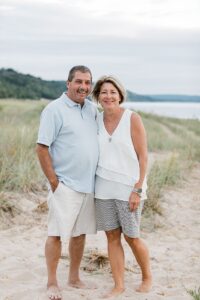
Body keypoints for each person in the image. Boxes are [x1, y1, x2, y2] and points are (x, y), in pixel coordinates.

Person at [36, 65, 99, 300]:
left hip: (88, 185)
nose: (83, 87)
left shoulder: (92, 109)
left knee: (80, 234)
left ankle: (74, 277)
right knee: (55, 234)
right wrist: (54, 183)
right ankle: (52, 282)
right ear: (68, 83)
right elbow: (42, 148)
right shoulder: (54, 109)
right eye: (79, 82)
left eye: (87, 82)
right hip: (65, 185)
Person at [92, 76, 152, 298]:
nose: (108, 96)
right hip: (103, 188)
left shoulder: (132, 118)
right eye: (104, 92)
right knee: (111, 237)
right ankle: (118, 285)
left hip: (129, 188)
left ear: (120, 95)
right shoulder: (95, 119)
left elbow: (143, 155)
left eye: (112, 92)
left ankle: (147, 276)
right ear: (98, 96)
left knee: (132, 237)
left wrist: (137, 188)